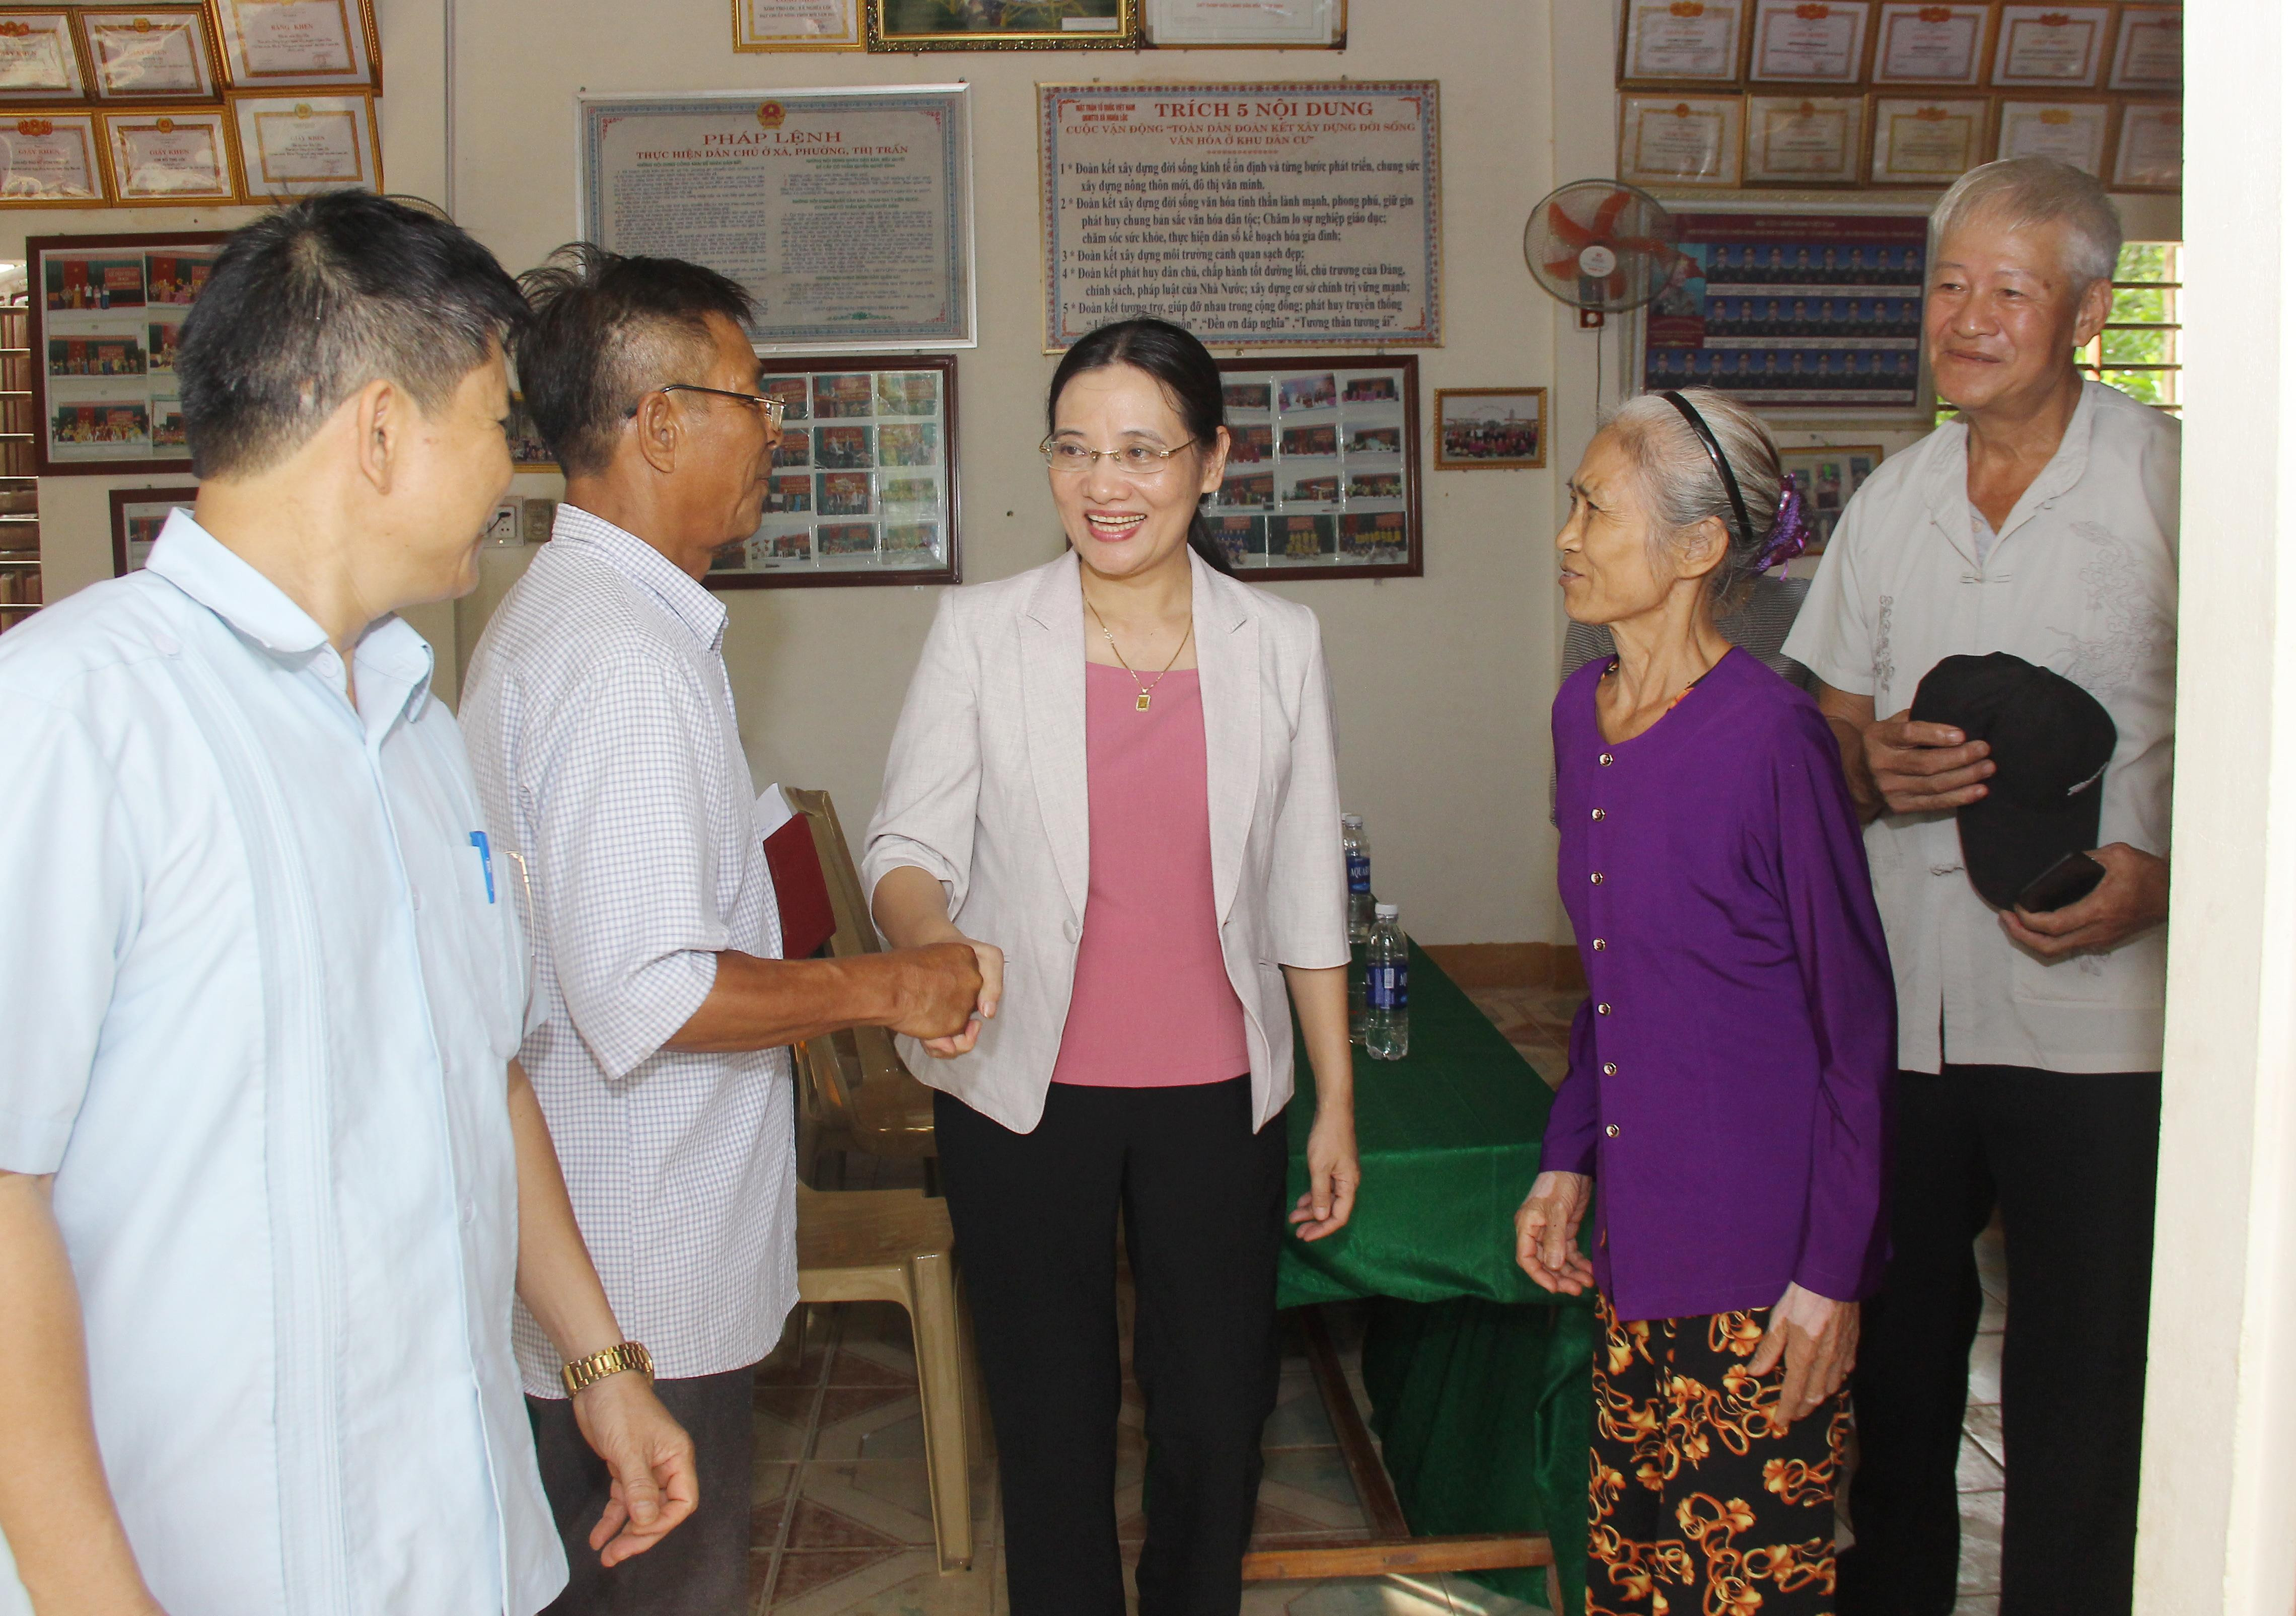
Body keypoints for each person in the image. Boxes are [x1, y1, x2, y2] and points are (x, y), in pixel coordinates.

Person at [0, 192, 698, 1615]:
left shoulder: (415, 726)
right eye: (497, 426)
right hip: (200, 1564)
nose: (521, 475)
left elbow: (483, 1070)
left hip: (454, 1538)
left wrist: (600, 1362)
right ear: (380, 429)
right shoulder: (75, 716)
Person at [459, 245, 983, 1616]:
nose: (780, 426)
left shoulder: (606, 626)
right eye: (753, 396)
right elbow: (650, 992)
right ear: (659, 423)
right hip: (633, 1269)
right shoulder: (621, 665)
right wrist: (888, 988)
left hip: (611, 1249)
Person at [863, 317, 1359, 1616]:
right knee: (1050, 1416)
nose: (1106, 483)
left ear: (1213, 462)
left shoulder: (1278, 640)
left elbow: (1307, 884)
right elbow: (907, 842)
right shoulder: (983, 631)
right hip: (1025, 1090)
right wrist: (928, 942)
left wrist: (1334, 1103)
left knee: (1214, 1411)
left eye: (1143, 450)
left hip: (1216, 1096)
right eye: (1077, 450)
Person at [1780, 158, 2178, 1615]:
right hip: (1909, 1004)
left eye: (2010, 289)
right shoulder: (1893, 499)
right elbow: (1824, 723)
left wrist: (2167, 877)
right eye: (1950, 284)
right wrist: (1869, 767)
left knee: (2083, 1374)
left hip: (2101, 1019)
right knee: (1896, 1357)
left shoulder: (2175, 486)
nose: (1970, 317)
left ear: (2088, 307)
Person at [1515, 387, 1895, 1615]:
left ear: (1699, 548)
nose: (1569, 535)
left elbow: (1858, 1029)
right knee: (1636, 1582)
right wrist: (1567, 1159)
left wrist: (1830, 1276)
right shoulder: (1585, 715)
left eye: (1597, 509)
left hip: (1762, 1269)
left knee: (1745, 1589)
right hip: (1640, 1245)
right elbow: (1614, 982)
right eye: (1573, 503)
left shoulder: (1774, 739)